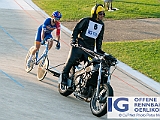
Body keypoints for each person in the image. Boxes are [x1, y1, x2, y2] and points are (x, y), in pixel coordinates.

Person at [61, 4, 106, 85]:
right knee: (71, 60)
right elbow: (76, 30)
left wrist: (99, 49)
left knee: (90, 65)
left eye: (103, 14)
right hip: (79, 45)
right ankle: (64, 76)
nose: (102, 16)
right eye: (100, 13)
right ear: (95, 13)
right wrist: (73, 40)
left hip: (90, 48)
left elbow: (99, 38)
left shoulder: (101, 25)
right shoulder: (86, 20)